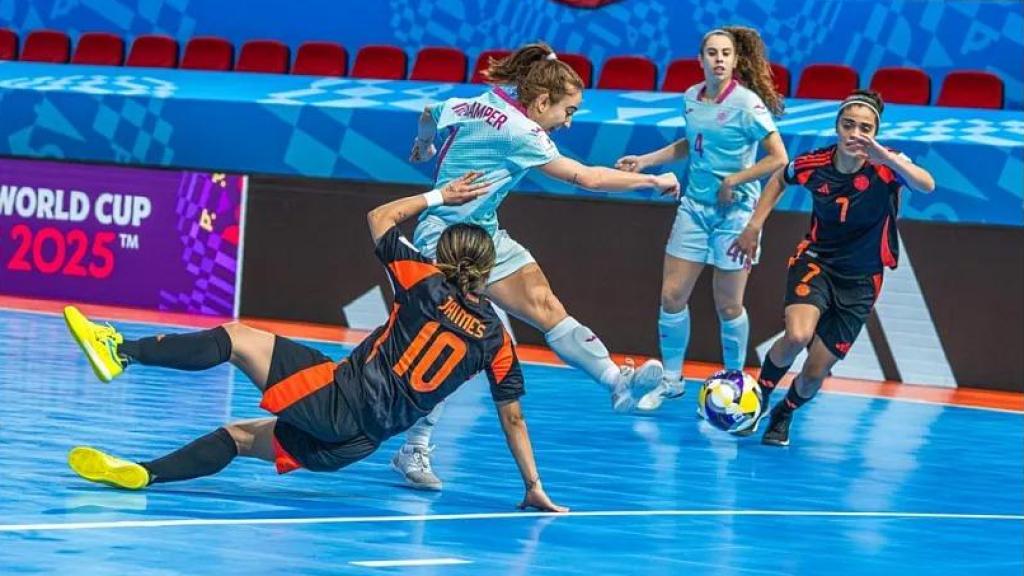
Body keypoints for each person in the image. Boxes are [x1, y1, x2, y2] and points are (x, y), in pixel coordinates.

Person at [63, 173, 568, 512]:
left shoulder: (424, 280)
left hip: (338, 397)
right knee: (240, 439)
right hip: (358, 444)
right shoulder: (496, 338)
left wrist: (439, 197)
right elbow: (513, 416)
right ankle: (142, 474)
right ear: (488, 270)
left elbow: (378, 219)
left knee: (238, 338)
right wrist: (533, 486)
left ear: (447, 254)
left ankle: (120, 352)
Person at [395, 41, 681, 490]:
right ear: (542, 101)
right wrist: (653, 179)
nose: (569, 121)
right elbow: (587, 177)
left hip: (485, 234)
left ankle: (615, 381)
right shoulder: (520, 131)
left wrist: (424, 146)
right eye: (568, 111)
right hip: (446, 246)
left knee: (545, 304)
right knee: (449, 348)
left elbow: (429, 111)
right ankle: (414, 448)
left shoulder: (473, 102)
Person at [730, 89, 936, 446]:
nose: (856, 134)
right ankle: (760, 398)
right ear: (837, 127)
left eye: (865, 128)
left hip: (861, 280)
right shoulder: (815, 164)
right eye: (848, 125)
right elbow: (780, 178)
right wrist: (753, 226)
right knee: (797, 336)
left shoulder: (886, 168)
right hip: (817, 262)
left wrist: (884, 155)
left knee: (814, 372)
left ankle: (785, 412)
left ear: (875, 131)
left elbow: (927, 184)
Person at [615, 26, 788, 412]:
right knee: (672, 296)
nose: (719, 59)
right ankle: (673, 381)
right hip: (694, 208)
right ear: (701, 59)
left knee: (728, 306)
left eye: (726, 53)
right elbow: (691, 144)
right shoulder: (692, 97)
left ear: (736, 60)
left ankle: (734, 383)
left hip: (736, 213)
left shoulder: (747, 104)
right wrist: (645, 161)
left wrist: (736, 179)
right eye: (712, 53)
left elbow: (779, 158)